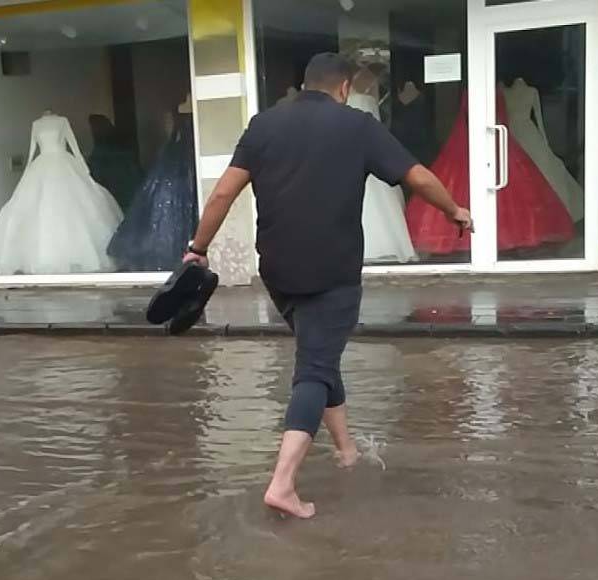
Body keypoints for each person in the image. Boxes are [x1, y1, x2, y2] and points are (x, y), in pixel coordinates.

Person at [183, 52, 471, 519]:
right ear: (343, 88)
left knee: (319, 351)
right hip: (332, 270)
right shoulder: (357, 126)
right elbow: (417, 177)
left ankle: (346, 450)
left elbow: (222, 193)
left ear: (305, 83)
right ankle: (282, 483)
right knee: (315, 368)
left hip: (277, 269)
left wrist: (197, 248)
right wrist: (454, 210)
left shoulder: (263, 125)